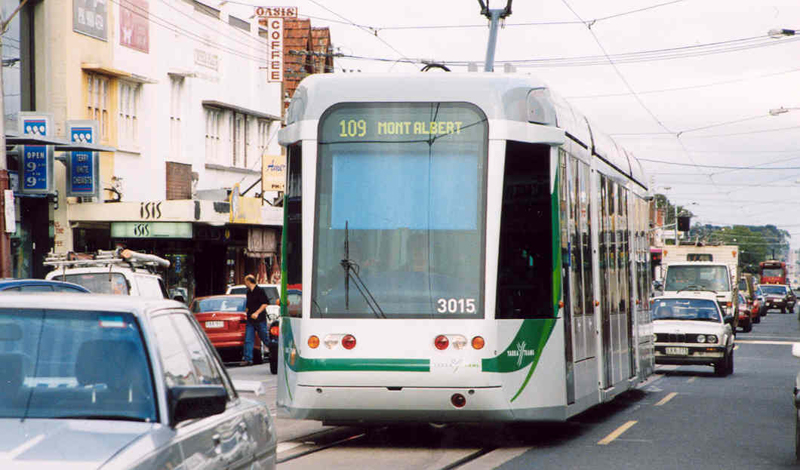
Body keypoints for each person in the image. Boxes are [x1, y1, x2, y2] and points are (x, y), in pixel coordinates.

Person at [241, 274, 271, 366]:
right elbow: (248, 305)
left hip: (260, 319)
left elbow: (265, 303)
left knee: (264, 338)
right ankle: (248, 359)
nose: (245, 283)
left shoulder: (260, 291)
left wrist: (257, 313)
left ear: (249, 281)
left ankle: (276, 352)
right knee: (248, 339)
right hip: (250, 320)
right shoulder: (248, 292)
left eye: (245, 281)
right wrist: (246, 311)